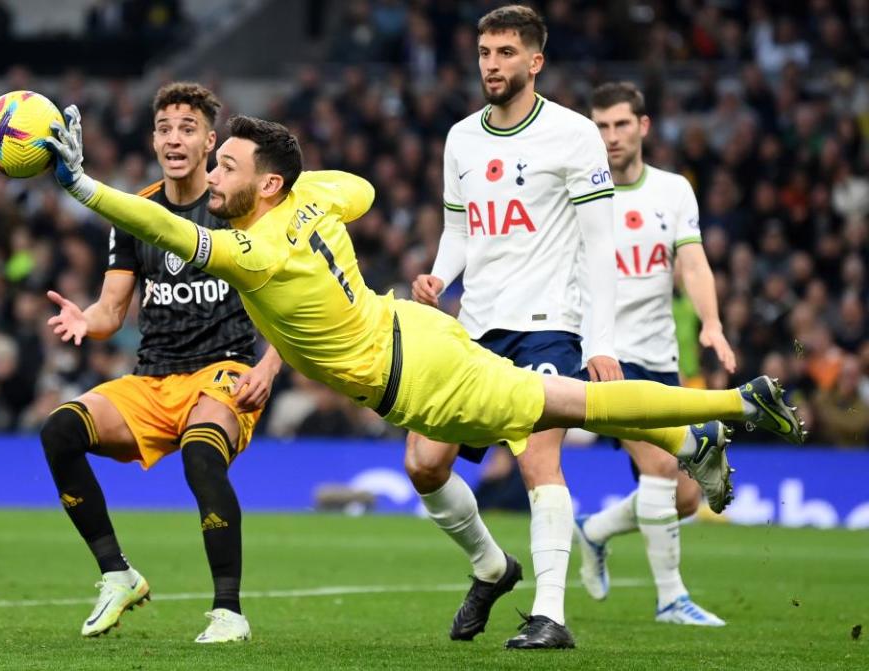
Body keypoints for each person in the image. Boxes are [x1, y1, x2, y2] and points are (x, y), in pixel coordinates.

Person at [44, 103, 805, 649]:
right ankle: (684, 438)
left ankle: (733, 404)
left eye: (227, 164)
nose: (212, 173)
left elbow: (166, 227)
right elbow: (360, 191)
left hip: (422, 378)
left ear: (267, 185)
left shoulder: (257, 249)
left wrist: (82, 186)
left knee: (576, 403)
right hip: (415, 327)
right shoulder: (312, 196)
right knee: (445, 456)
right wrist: (301, 193)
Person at [405, 5, 727, 649]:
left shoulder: (575, 136)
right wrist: (439, 276)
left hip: (548, 325)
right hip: (474, 327)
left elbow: (601, 247)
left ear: (535, 60)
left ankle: (550, 614)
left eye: (504, 53)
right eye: (484, 53)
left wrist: (599, 343)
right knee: (423, 463)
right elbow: (460, 230)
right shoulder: (461, 137)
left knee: (538, 462)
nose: (491, 65)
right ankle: (492, 568)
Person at [41, 83, 282, 643]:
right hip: (152, 379)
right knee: (60, 432)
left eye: (188, 128)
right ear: (154, 139)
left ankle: (229, 612)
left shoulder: (239, 209)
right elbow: (110, 310)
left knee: (202, 455)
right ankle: (117, 574)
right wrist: (86, 320)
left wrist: (268, 367)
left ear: (209, 142)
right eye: (166, 128)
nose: (176, 138)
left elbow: (291, 298)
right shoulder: (136, 213)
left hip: (221, 372)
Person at [572, 81, 737, 627]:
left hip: (661, 356)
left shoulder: (673, 191)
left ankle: (595, 529)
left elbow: (691, 264)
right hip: (604, 355)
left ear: (642, 127)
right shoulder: (577, 193)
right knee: (663, 468)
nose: (611, 136)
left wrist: (711, 322)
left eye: (621, 124)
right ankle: (671, 599)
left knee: (683, 498)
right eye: (600, 126)